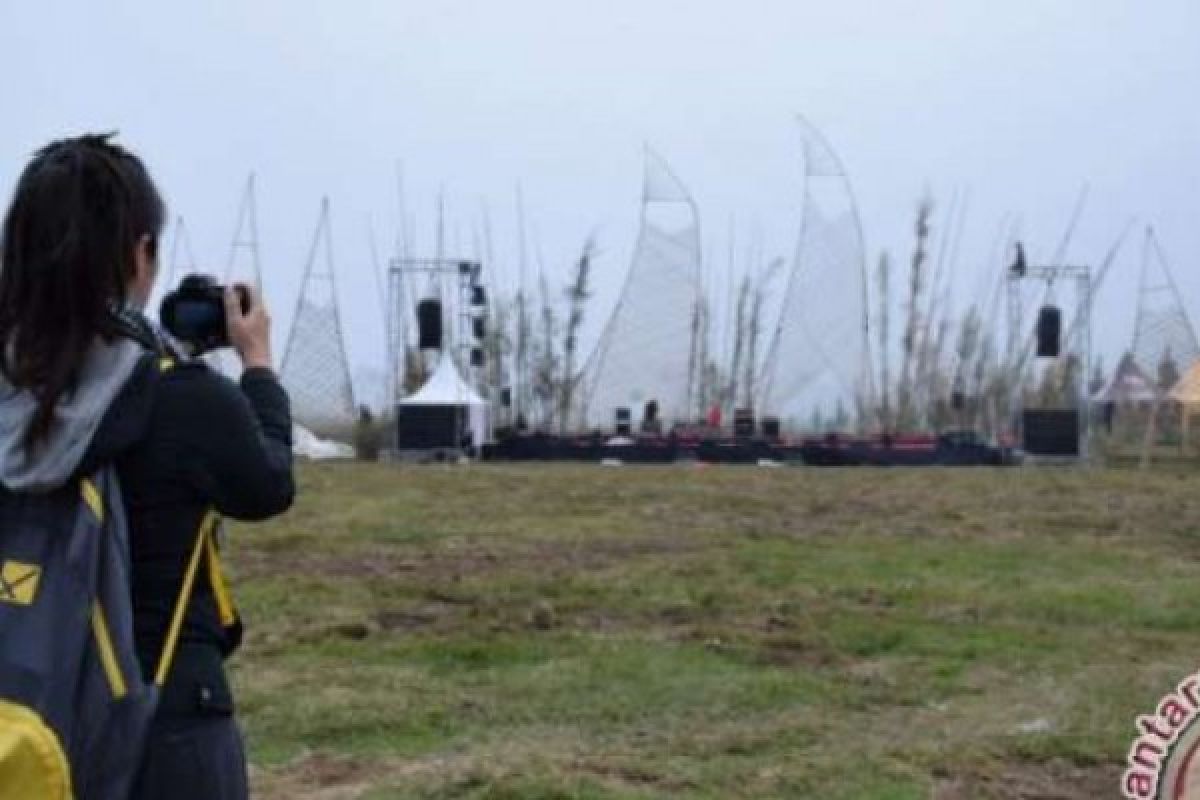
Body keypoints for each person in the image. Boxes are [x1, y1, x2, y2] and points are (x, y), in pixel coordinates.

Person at [0, 134, 294, 799]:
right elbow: (269, 482)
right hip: (165, 726)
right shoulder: (182, 398)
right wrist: (256, 365)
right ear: (140, 253)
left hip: (23, 720)